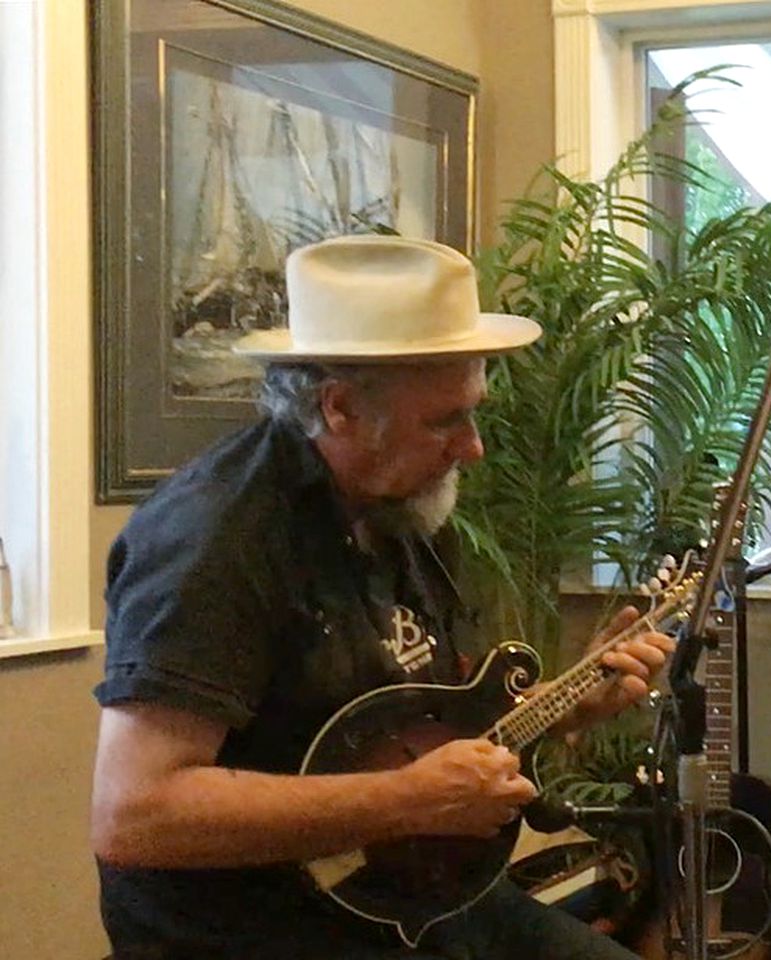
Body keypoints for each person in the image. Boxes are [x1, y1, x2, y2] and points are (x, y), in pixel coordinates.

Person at [90, 236, 676, 960]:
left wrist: (563, 705)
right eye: (444, 419)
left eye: (474, 411)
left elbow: (422, 726)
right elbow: (135, 814)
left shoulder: (408, 512)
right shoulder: (218, 540)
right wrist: (409, 801)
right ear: (338, 408)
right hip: (260, 932)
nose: (473, 447)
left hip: (410, 901)